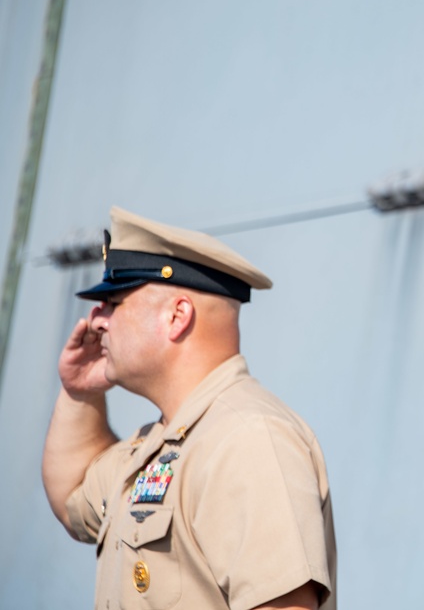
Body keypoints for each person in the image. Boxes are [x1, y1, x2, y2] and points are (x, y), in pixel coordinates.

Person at [41, 206, 337, 610]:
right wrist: (80, 393)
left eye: (114, 302)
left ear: (177, 316)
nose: (97, 320)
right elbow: (72, 497)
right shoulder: (161, 443)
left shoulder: (247, 438)